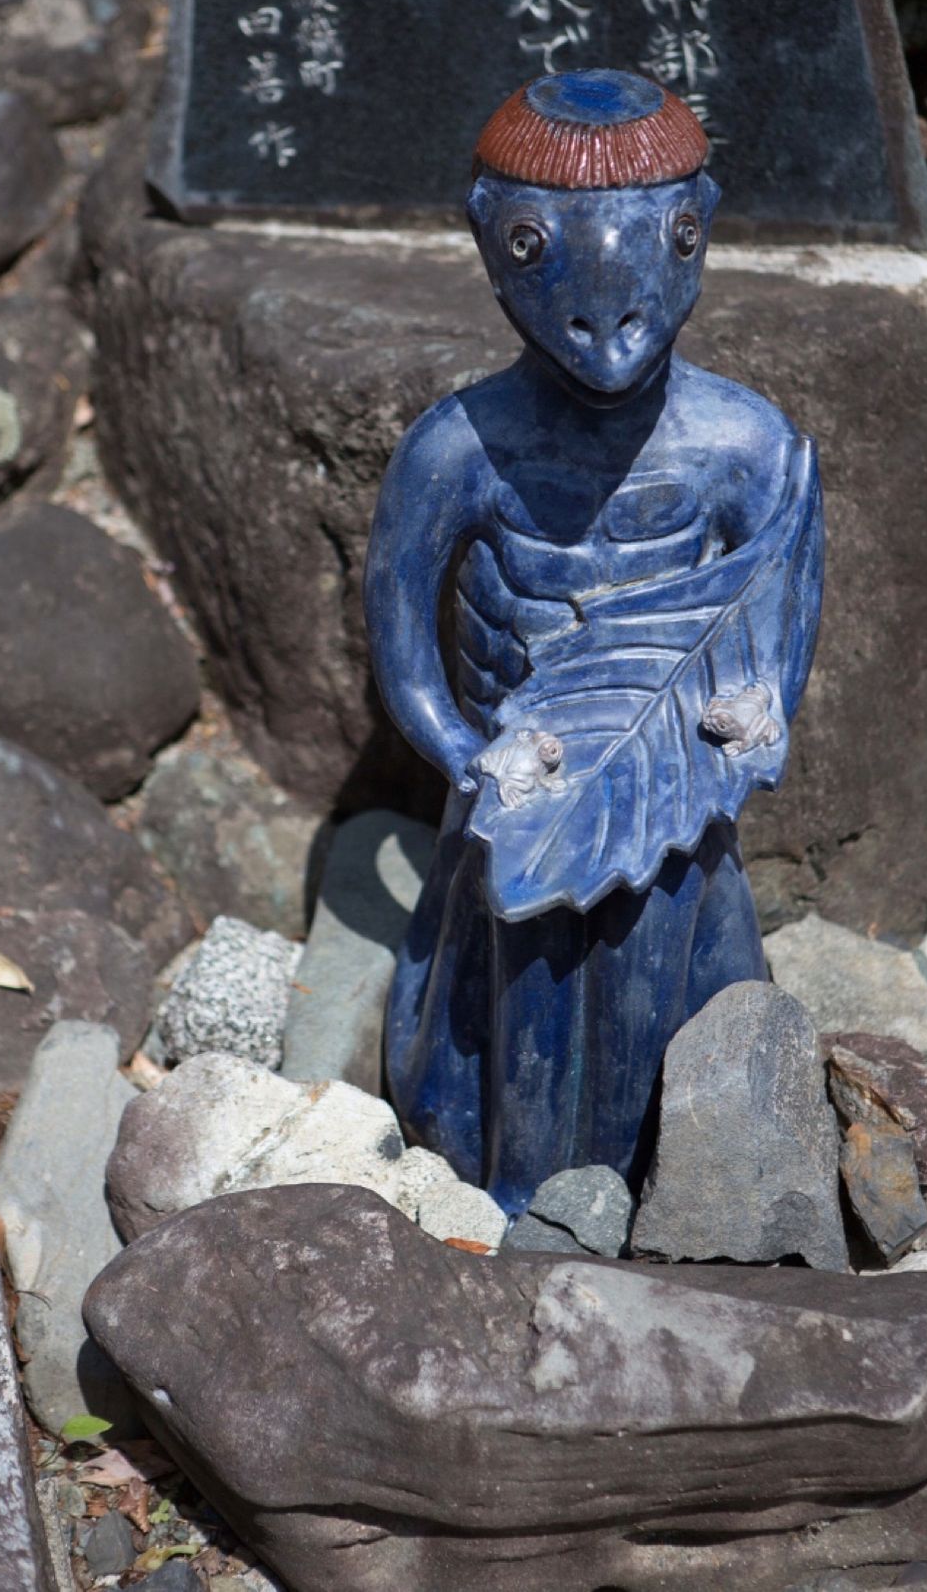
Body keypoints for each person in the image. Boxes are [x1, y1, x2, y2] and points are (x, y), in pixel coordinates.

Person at [364, 68, 822, 1215]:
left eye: (662, 235)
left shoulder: (746, 444)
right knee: (522, 992)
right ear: (486, 242)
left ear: (698, 227)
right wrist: (472, 757)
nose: (605, 311)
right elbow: (404, 646)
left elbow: (779, 617)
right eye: (533, 243)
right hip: (518, 806)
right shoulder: (455, 451)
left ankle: (700, 1175)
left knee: (680, 964)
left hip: (676, 796)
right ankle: (517, 1183)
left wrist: (757, 710)